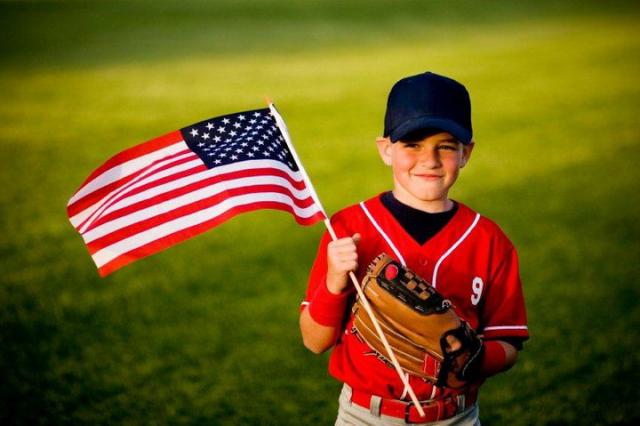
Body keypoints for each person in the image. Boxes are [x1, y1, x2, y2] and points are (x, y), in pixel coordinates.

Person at [299, 71, 529, 425]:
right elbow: (314, 341)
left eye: (446, 146)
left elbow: (508, 343)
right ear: (386, 150)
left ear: (466, 153)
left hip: (457, 416)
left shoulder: (489, 240)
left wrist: (472, 359)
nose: (430, 159)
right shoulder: (348, 229)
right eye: (412, 144)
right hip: (365, 415)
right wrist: (334, 282)